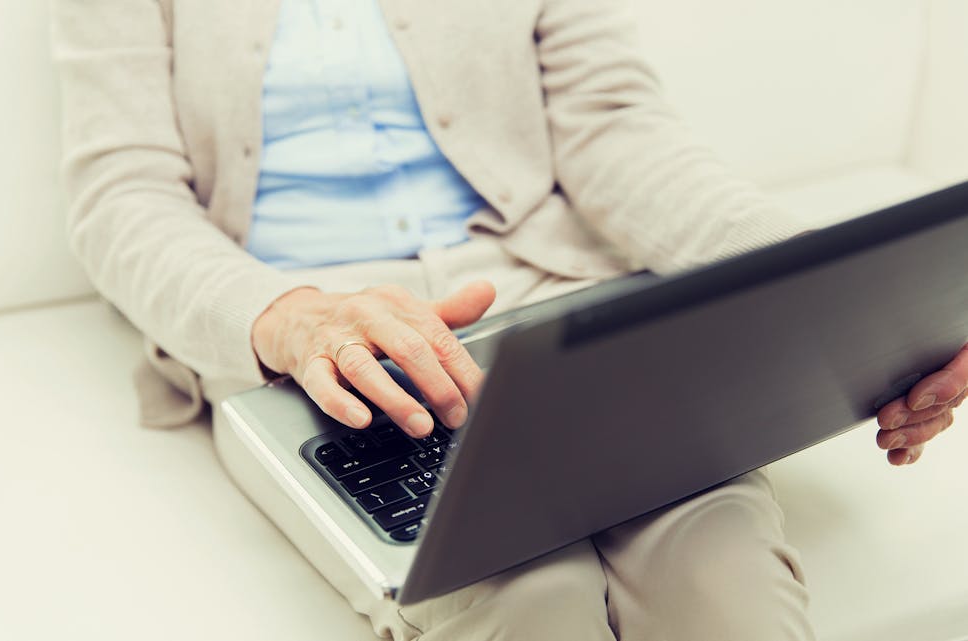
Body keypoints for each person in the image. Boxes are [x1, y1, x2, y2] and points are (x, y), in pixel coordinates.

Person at [52, 1, 966, 639]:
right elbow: (121, 195)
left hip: (553, 296)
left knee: (727, 583)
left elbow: (615, 131)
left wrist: (816, 280)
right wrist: (290, 317)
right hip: (311, 339)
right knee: (527, 605)